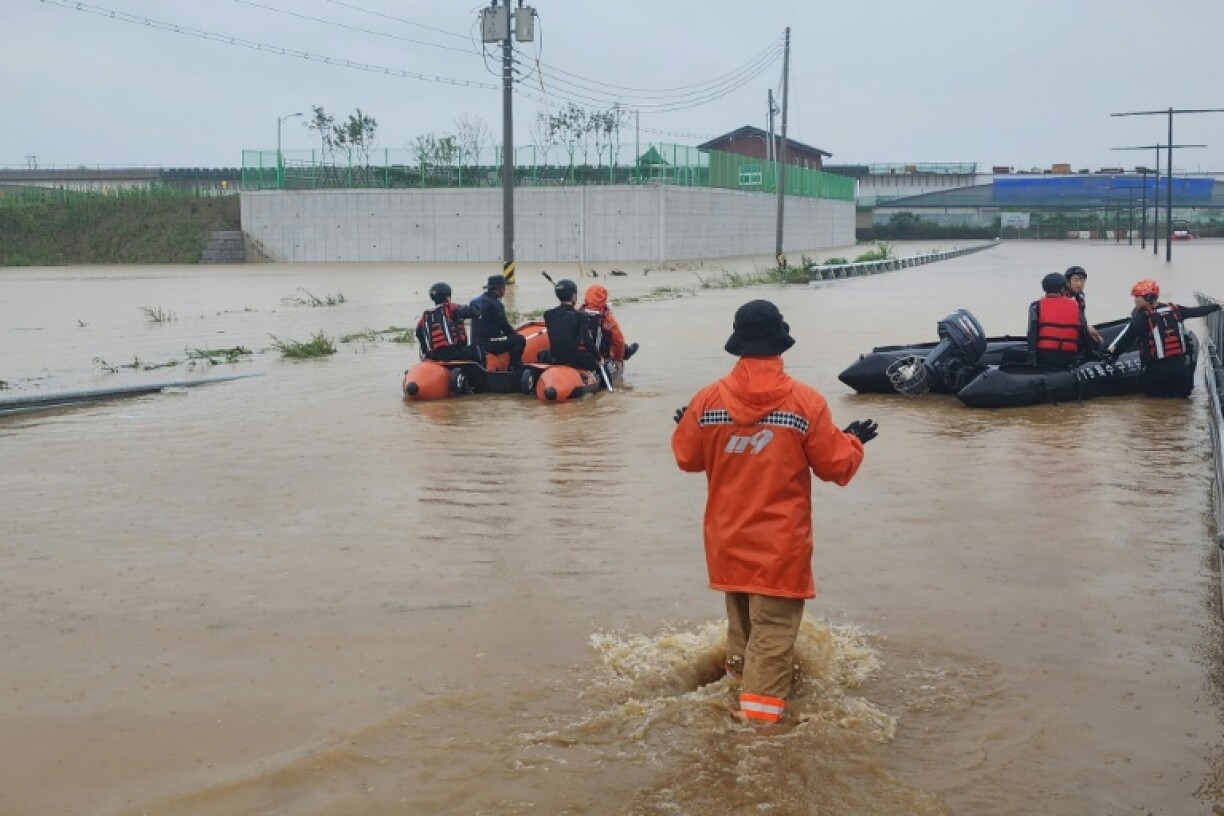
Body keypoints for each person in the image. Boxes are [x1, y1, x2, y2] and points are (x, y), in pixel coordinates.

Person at [670, 299, 877, 728]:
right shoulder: (806, 402)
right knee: (774, 642)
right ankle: (761, 743)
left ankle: (731, 710)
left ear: (739, 343)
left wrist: (690, 424)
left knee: (743, 637)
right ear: (779, 343)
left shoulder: (707, 400)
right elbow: (835, 467)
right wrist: (852, 441)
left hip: (728, 544)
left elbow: (687, 457)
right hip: (779, 549)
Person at [1106, 279, 1221, 397]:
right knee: (1180, 406)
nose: (1135, 300)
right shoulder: (1175, 310)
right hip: (1179, 369)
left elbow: (1126, 340)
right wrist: (1216, 305)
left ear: (1148, 298)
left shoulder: (1141, 317)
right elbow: (1197, 311)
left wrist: (1112, 355)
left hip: (1156, 371)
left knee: (1155, 407)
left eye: (1137, 297)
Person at [1027, 271, 1092, 368]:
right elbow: (1083, 332)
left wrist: (1032, 358)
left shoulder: (1036, 306)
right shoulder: (1075, 305)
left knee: (1010, 353)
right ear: (1063, 288)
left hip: (1044, 356)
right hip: (1068, 356)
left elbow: (1032, 332)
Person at [543, 278, 602, 371]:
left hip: (555, 358)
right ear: (574, 296)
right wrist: (598, 358)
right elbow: (587, 342)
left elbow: (563, 325)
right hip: (574, 360)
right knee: (598, 365)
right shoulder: (580, 317)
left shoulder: (548, 314)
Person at [415, 282, 482, 362]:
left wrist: (427, 353)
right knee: (478, 350)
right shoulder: (451, 308)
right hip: (454, 353)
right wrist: (475, 303)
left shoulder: (425, 316)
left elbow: (419, 335)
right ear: (448, 297)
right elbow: (475, 313)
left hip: (434, 356)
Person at [470, 274, 525, 370]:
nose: (505, 290)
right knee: (519, 340)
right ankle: (514, 366)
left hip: (475, 342)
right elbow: (504, 326)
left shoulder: (476, 301)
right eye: (504, 288)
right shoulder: (496, 304)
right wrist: (514, 335)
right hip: (487, 344)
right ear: (499, 289)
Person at [580, 284, 639, 363]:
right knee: (611, 337)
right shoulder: (607, 318)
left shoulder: (577, 313)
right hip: (600, 355)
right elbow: (618, 340)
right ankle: (626, 352)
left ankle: (626, 350)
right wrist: (618, 358)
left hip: (579, 353)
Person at [1064, 266, 1103, 347]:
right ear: (1067, 282)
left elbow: (1081, 318)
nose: (1079, 284)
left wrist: (1086, 328)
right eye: (1075, 280)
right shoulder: (1065, 298)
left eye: (1082, 280)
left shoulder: (1079, 298)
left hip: (1080, 331)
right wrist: (1086, 328)